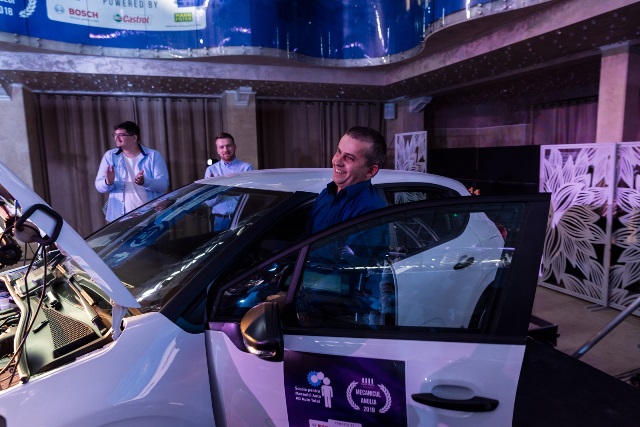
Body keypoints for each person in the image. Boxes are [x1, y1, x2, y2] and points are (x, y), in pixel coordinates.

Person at [307, 126, 387, 235]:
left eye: (349, 158)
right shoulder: (326, 194)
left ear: (371, 171)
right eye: (338, 152)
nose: (337, 162)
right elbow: (307, 238)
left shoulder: (371, 210)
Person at [95, 121, 169, 223]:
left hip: (150, 217)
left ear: (134, 138)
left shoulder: (153, 155)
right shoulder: (110, 156)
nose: (116, 138)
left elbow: (163, 185)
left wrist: (145, 182)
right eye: (115, 135)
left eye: (121, 135)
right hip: (118, 218)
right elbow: (99, 186)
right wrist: (108, 182)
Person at [203, 132, 254, 231]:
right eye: (221, 147)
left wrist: (221, 187)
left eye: (228, 146)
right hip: (219, 221)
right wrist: (220, 189)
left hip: (241, 220)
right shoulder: (211, 170)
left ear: (235, 147)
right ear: (217, 150)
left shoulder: (247, 168)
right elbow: (208, 203)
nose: (225, 150)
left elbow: (250, 198)